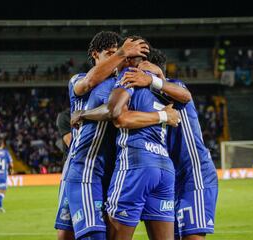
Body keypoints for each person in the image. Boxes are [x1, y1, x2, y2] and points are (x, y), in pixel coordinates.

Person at [55, 31, 150, 240]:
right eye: (110, 54)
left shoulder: (122, 83)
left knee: (67, 236)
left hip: (108, 173)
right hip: (84, 169)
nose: (116, 58)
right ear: (95, 55)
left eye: (118, 54)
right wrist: (123, 52)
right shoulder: (78, 80)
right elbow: (89, 82)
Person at [121, 48, 218, 240]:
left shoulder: (174, 87)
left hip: (194, 173)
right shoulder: (142, 97)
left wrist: (155, 79)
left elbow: (185, 95)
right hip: (169, 176)